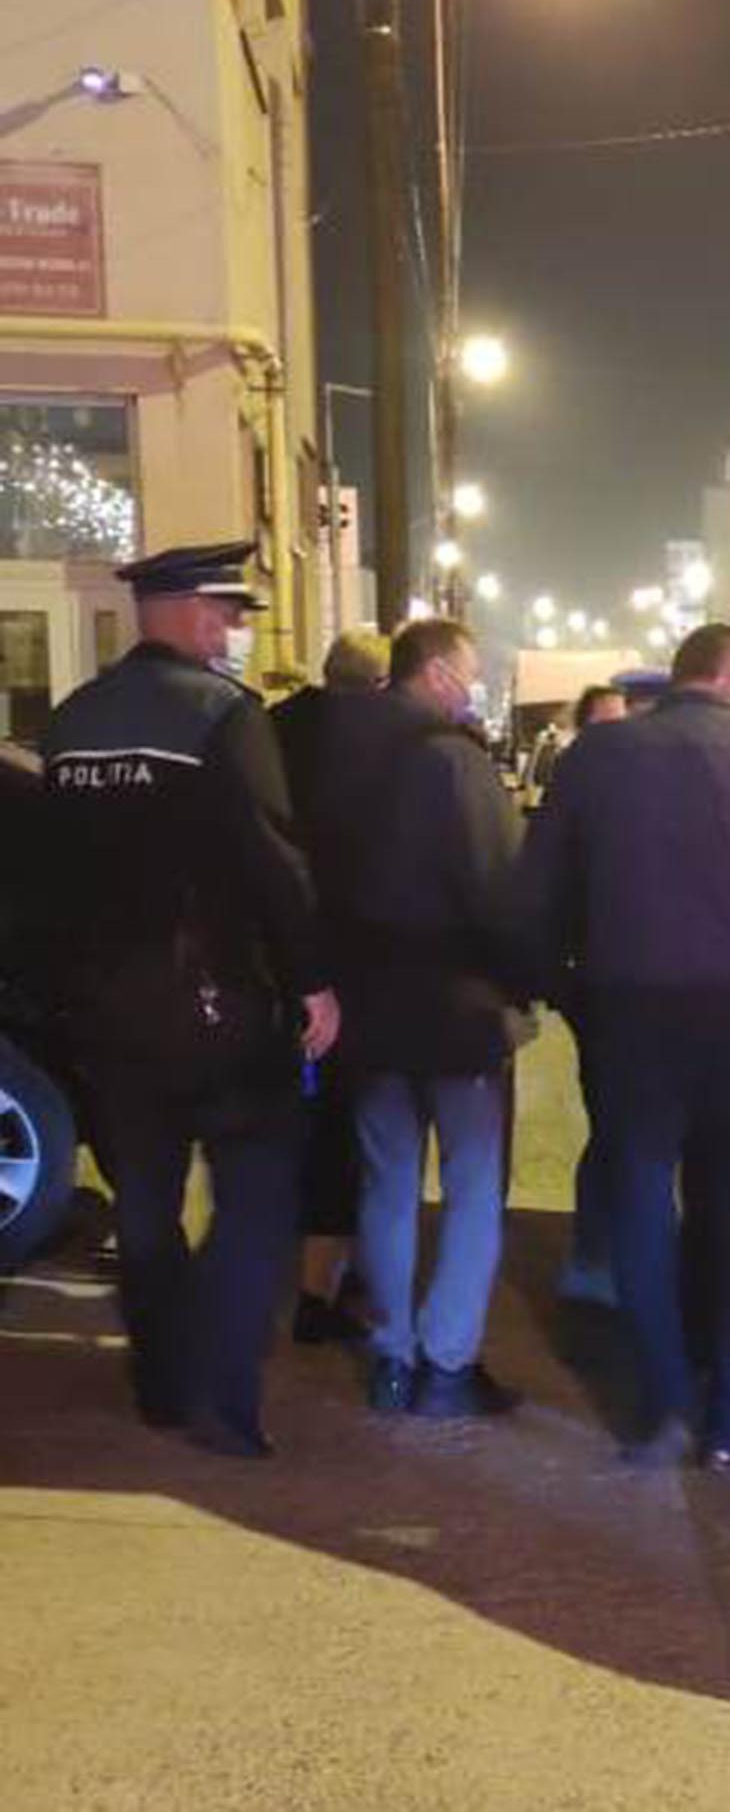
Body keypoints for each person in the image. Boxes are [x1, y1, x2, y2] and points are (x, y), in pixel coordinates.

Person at [518, 624, 730, 1469]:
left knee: (639, 1199)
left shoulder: (595, 757)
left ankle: (663, 1398)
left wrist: (570, 994)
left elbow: (538, 892)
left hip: (629, 1019)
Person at [36, 541, 337, 1458]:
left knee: (144, 1205)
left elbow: (56, 879)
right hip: (218, 1005)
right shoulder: (222, 715)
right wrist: (314, 982)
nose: (234, 631)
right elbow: (276, 865)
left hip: (106, 1012)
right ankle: (225, 1398)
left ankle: (162, 1384)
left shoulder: (71, 722)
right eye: (228, 613)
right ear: (189, 611)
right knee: (257, 1193)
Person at [336, 619, 527, 1419]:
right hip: (458, 1007)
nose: (472, 687)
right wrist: (523, 980)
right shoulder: (454, 761)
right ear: (440, 674)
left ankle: (391, 1356)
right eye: (469, 673)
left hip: (369, 1003)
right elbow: (497, 887)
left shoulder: (339, 750)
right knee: (474, 1181)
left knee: (387, 1181)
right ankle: (448, 1361)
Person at [269, 628, 390, 1345]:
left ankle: (297, 1266)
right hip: (351, 960)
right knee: (346, 1127)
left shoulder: (273, 728)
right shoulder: (384, 742)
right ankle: (324, 1288)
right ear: (379, 686)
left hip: (276, 954)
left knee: (299, 1117)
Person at [551, 681, 632, 1308]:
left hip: (633, 987)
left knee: (628, 1127)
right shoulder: (575, 790)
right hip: (596, 987)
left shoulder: (640, 789)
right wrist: (558, 983)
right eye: (602, 723)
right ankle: (595, 1257)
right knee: (611, 1124)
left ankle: (617, 1255)